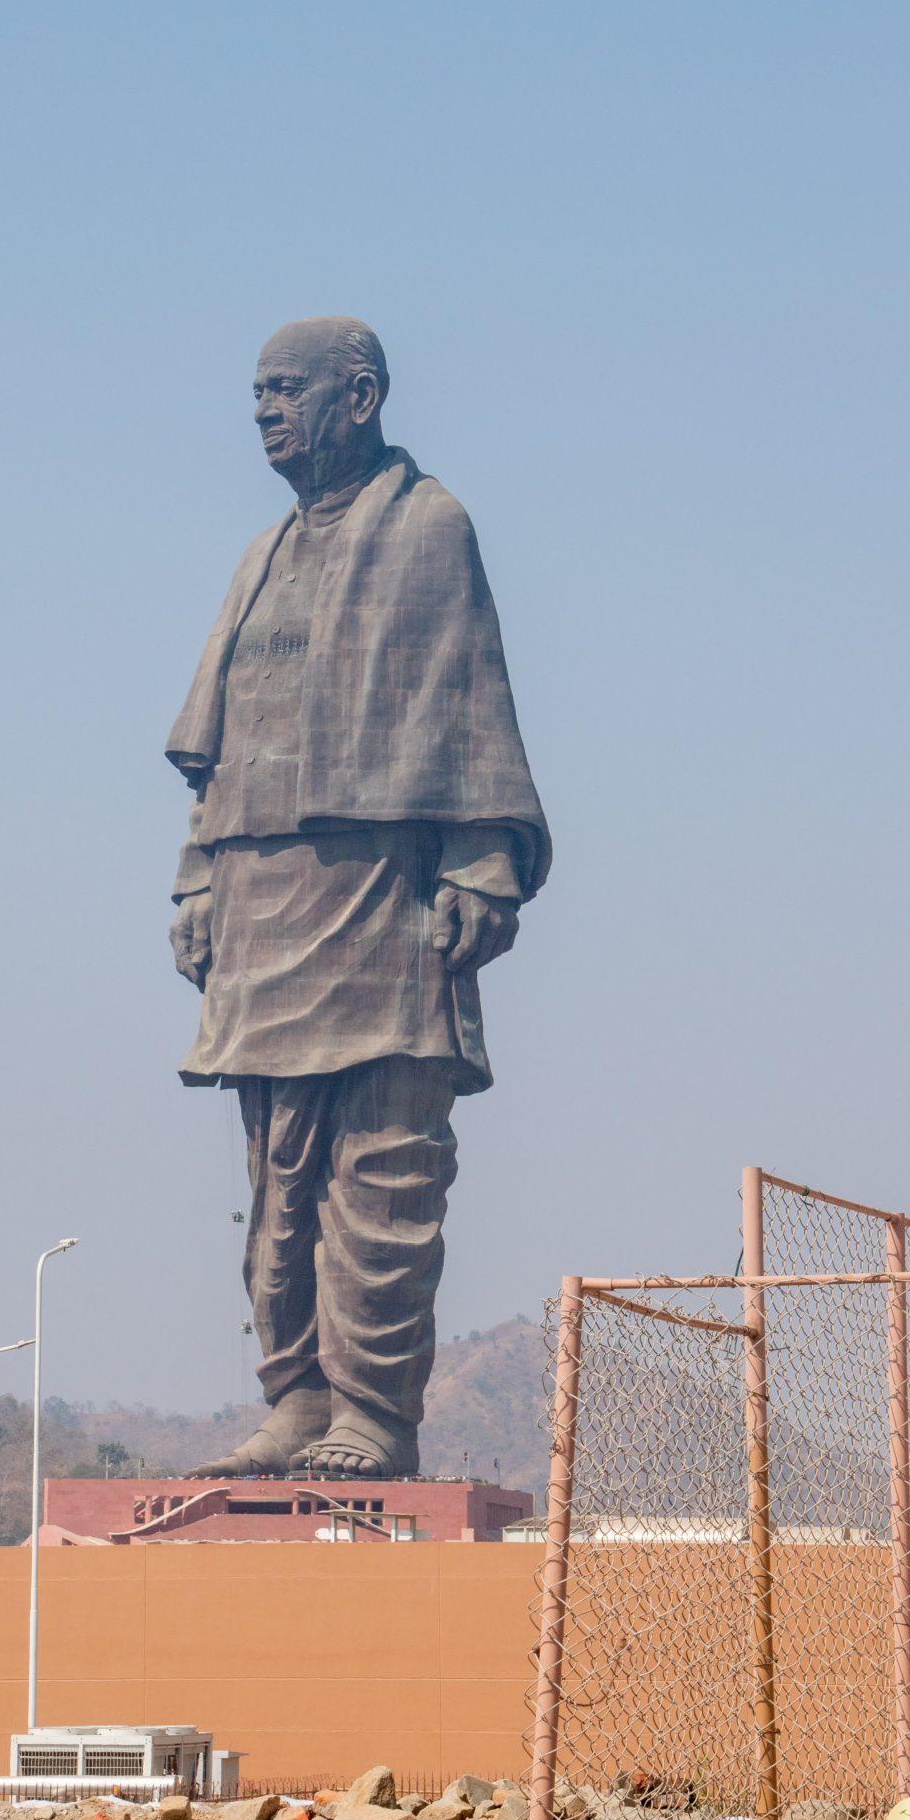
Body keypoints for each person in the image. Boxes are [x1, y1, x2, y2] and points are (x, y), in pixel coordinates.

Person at [166, 317, 550, 1479]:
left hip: (383, 893)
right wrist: (198, 875)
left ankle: (374, 1409)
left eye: (287, 388)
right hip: (261, 892)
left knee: (385, 1161)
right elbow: (223, 739)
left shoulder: (429, 526)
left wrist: (481, 858)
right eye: (258, 391)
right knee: (278, 1174)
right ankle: (295, 1394)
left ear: (362, 395)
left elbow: (469, 697)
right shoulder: (260, 555)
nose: (264, 409)